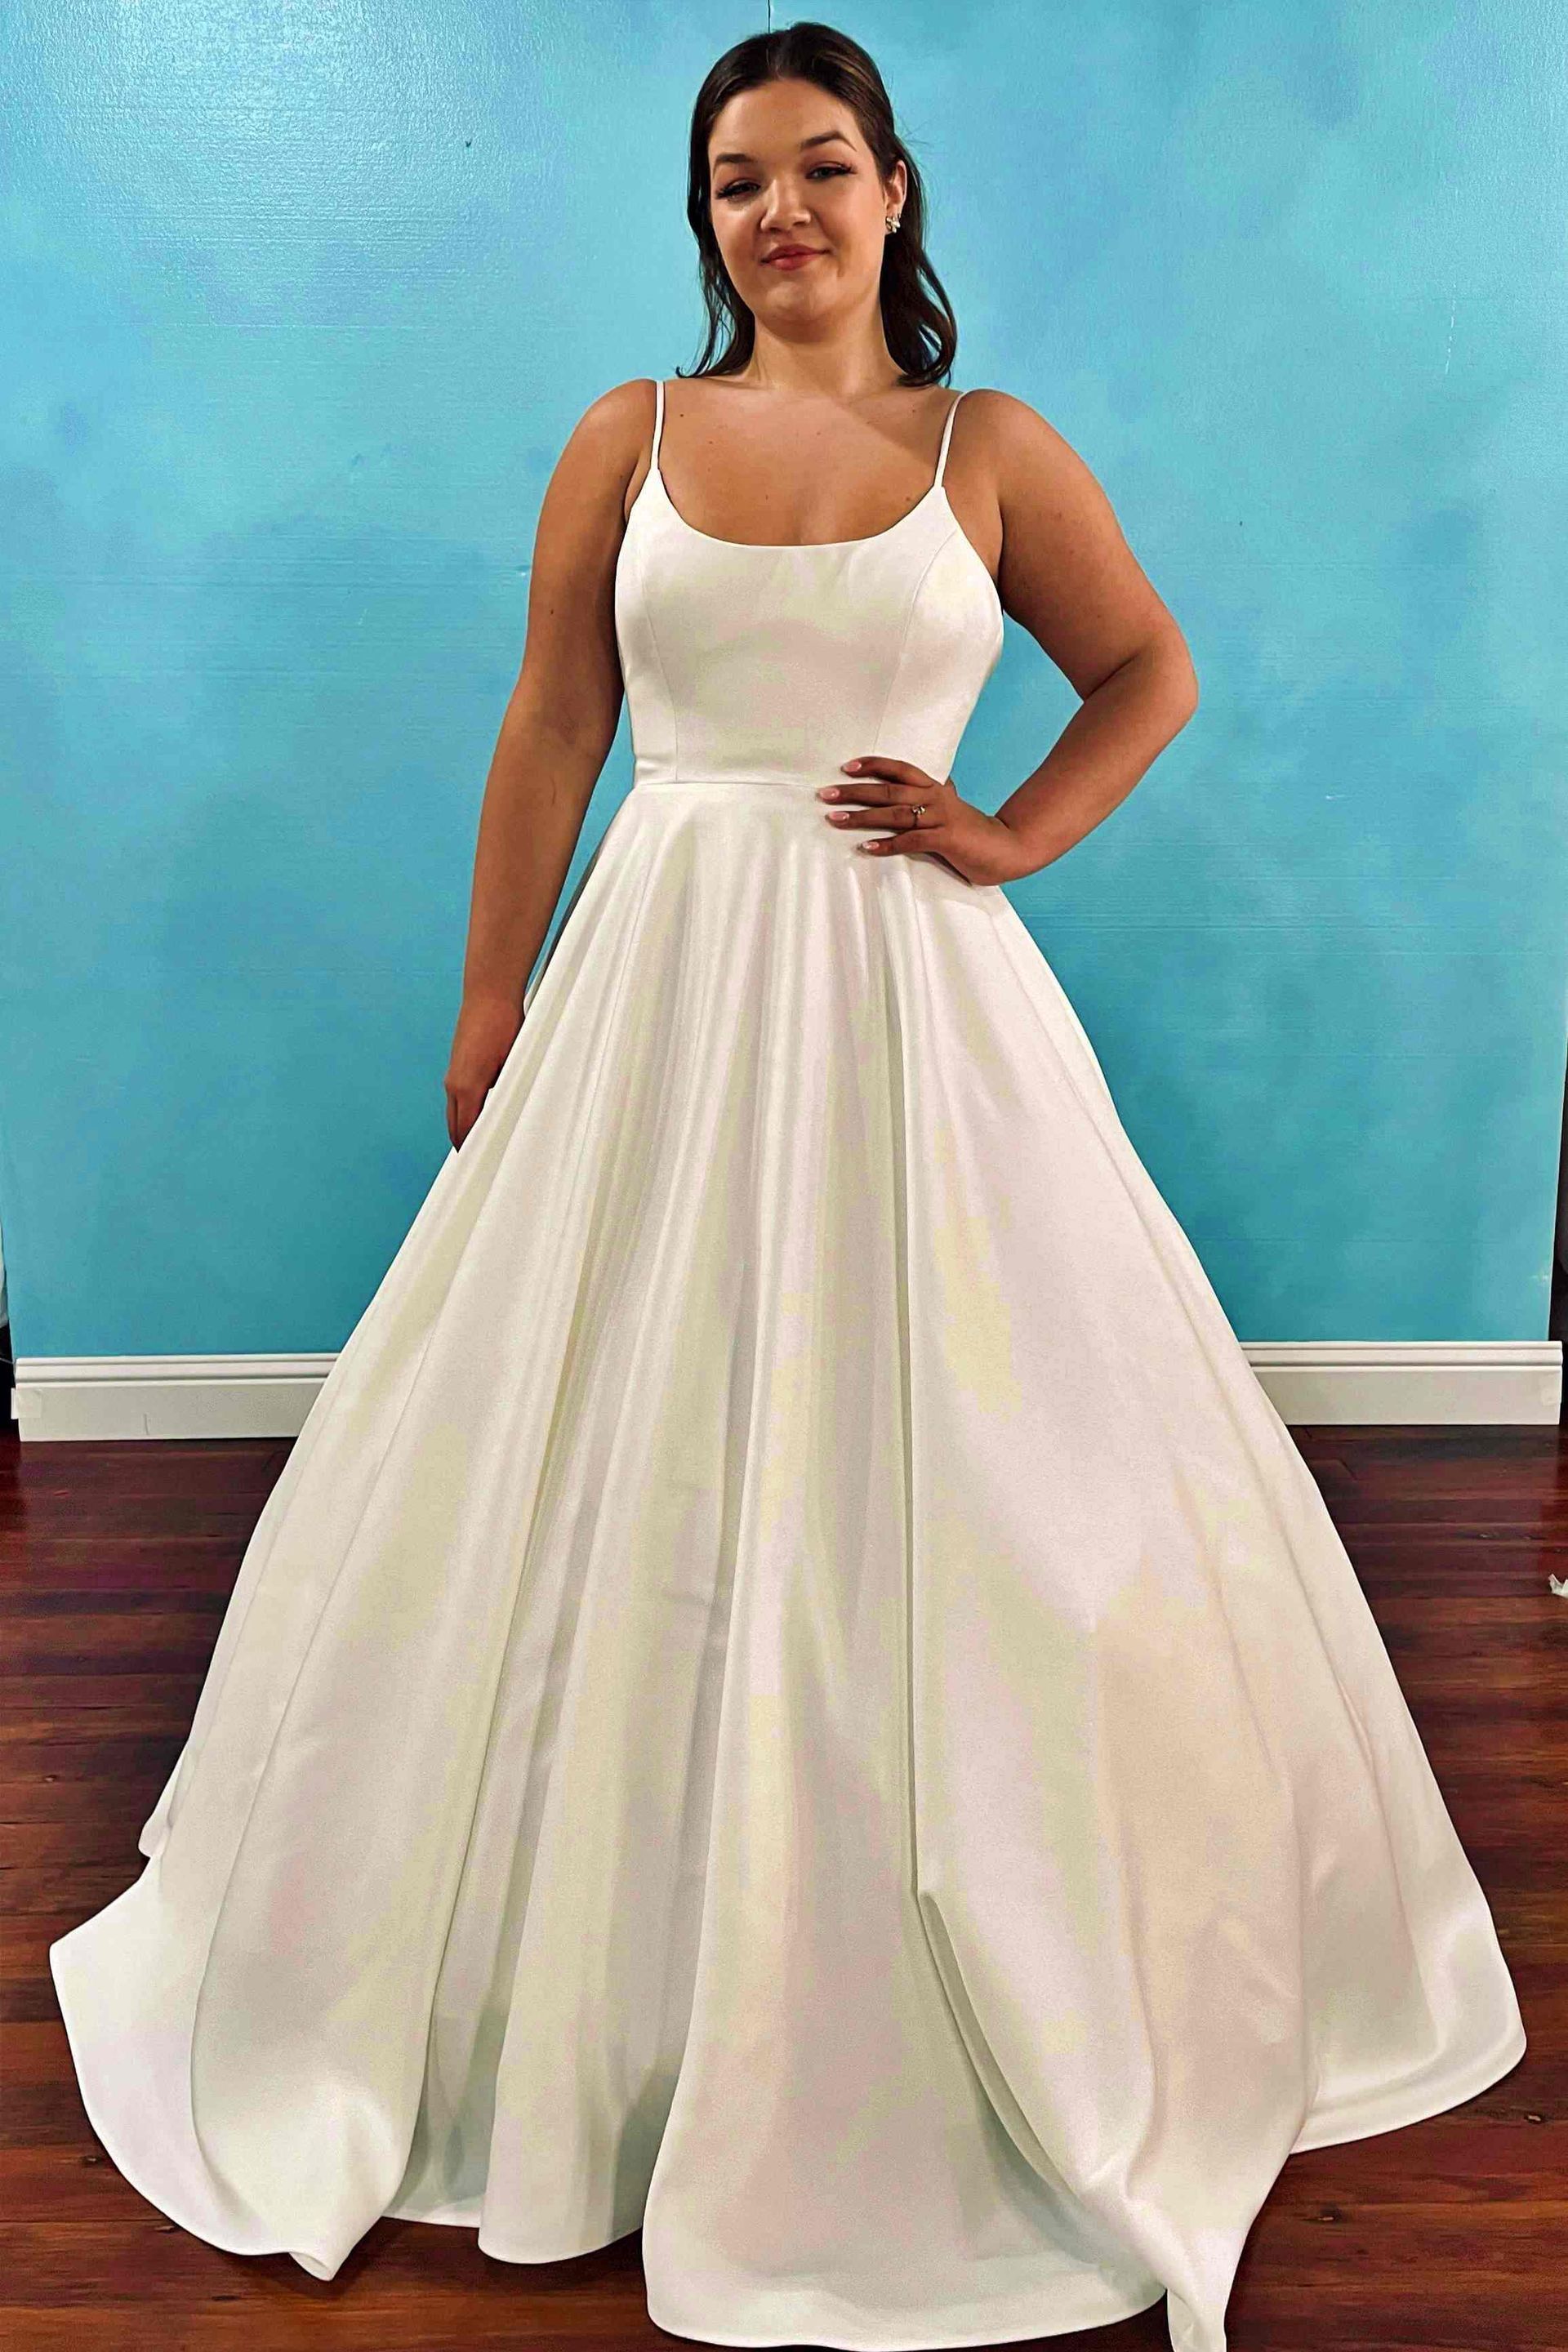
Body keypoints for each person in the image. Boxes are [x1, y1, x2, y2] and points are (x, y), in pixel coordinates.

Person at [51, 21, 1525, 2352]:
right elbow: (554, 720)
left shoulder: (990, 450)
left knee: (969, 1457)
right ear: (707, 216)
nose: (785, 212)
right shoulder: (624, 442)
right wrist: (487, 995)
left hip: (919, 1012)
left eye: (822, 168)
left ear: (898, 189)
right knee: (588, 1443)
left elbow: (1145, 670)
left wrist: (1017, 832)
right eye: (739, 180)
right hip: (651, 978)